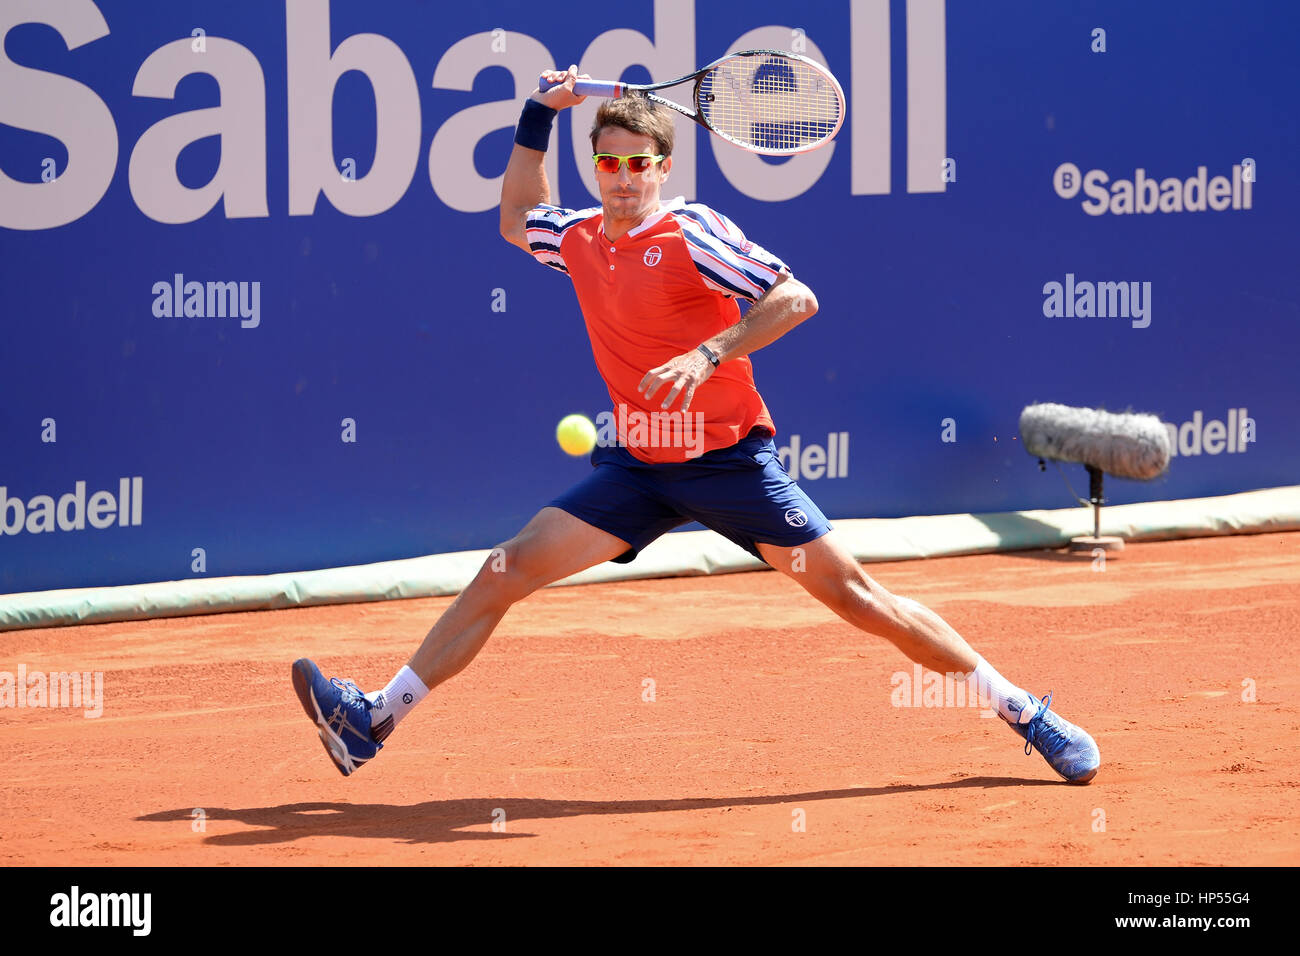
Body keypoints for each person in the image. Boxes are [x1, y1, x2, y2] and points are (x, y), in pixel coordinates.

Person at [291, 66, 1100, 785]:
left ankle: (1025, 711)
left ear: (662, 168)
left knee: (861, 600)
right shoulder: (577, 237)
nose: (623, 178)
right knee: (505, 570)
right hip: (641, 469)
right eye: (608, 162)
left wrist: (708, 352)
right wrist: (539, 113)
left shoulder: (693, 230)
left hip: (729, 466)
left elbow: (795, 297)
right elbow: (515, 217)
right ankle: (374, 721)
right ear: (596, 166)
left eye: (639, 164)